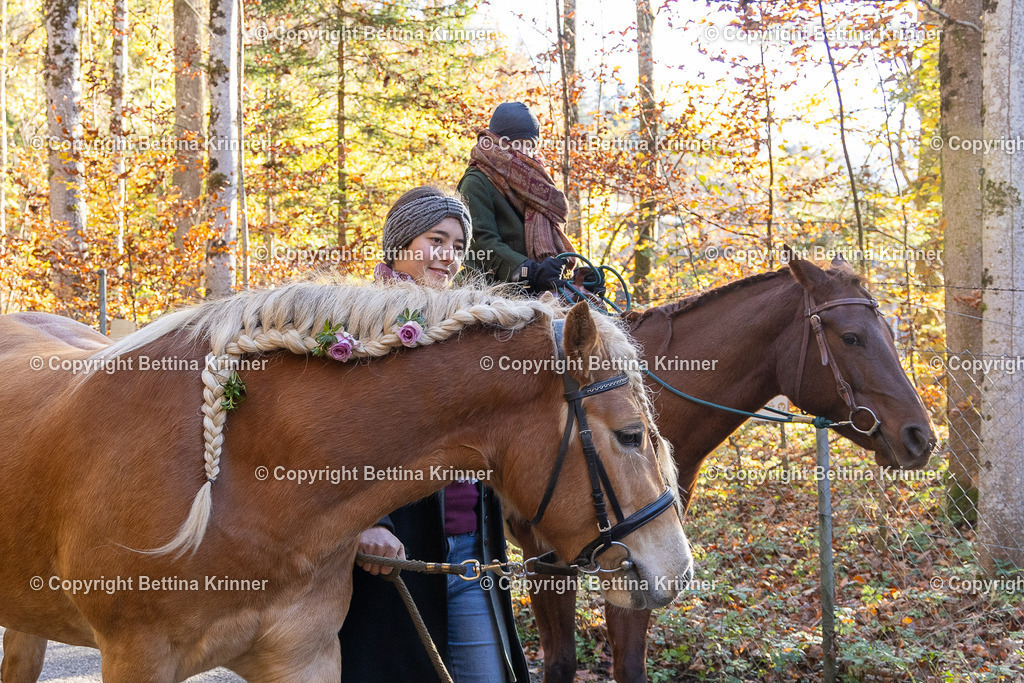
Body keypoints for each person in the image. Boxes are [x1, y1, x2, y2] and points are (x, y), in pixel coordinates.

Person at [338, 185, 530, 683]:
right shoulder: (355, 325)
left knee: (487, 675)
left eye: (458, 246)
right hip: (394, 551)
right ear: (401, 242)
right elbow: (342, 429)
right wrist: (370, 520)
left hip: (472, 549)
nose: (448, 256)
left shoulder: (466, 325)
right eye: (436, 239)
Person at [457, 102, 576, 291]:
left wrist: (576, 278)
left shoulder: (538, 183)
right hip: (486, 291)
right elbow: (480, 242)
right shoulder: (476, 181)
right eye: (517, 143)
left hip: (535, 289)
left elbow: (552, 247)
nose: (525, 151)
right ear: (498, 141)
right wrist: (529, 271)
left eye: (530, 145)